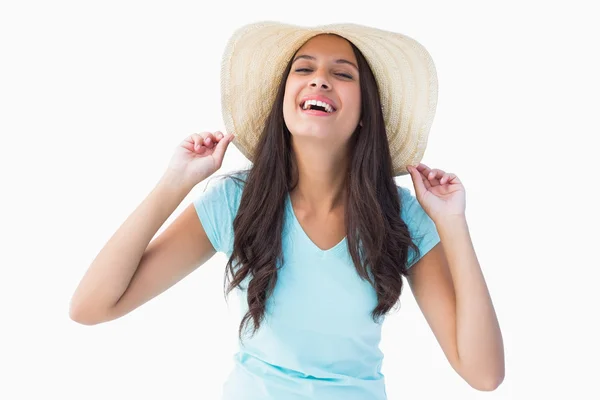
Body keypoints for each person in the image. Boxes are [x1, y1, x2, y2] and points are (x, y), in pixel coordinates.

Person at [70, 21, 504, 399]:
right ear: (284, 102)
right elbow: (91, 307)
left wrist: (452, 225)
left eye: (342, 74)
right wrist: (174, 183)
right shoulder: (236, 201)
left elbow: (483, 374)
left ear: (364, 114)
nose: (319, 80)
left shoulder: (401, 216)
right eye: (304, 69)